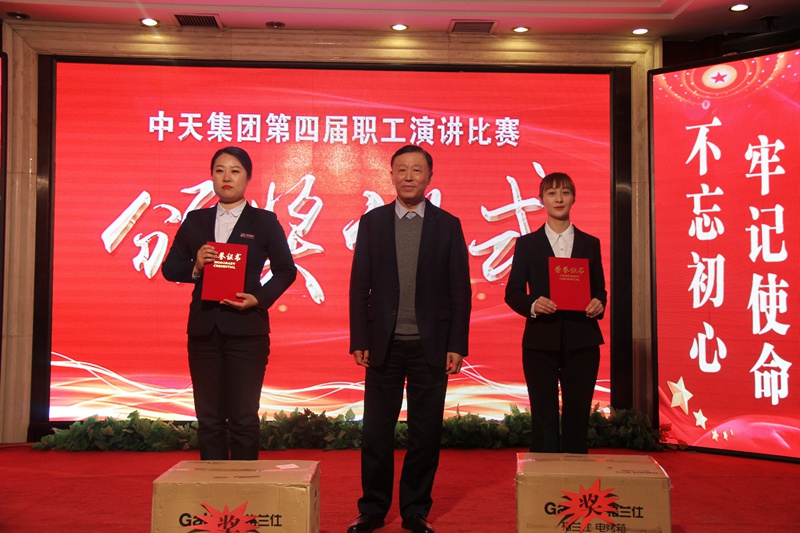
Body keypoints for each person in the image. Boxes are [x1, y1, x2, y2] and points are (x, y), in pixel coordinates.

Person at [347, 145, 472, 533]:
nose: (409, 176)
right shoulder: (373, 223)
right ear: (391, 175)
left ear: (429, 177)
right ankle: (372, 509)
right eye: (401, 169)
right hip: (382, 345)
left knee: (425, 434)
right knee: (376, 433)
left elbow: (460, 290)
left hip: (430, 345)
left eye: (417, 170)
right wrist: (360, 338)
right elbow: (359, 285)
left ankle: (415, 510)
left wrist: (457, 344)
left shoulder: (447, 225)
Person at [162, 146, 297, 460]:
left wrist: (259, 299)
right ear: (211, 176)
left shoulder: (264, 222)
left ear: (247, 178)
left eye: (235, 171)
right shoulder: (196, 220)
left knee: (244, 417)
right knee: (208, 418)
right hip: (204, 331)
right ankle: (213, 483)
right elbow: (170, 268)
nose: (227, 177)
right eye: (220, 170)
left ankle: (244, 485)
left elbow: (286, 270)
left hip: (247, 332)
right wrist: (196, 266)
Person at [504, 172, 606, 454]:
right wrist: (533, 305)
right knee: (543, 416)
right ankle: (543, 476)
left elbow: (599, 290)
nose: (558, 199)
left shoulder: (590, 243)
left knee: (578, 416)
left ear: (574, 198)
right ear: (541, 200)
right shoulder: (527, 244)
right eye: (551, 193)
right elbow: (513, 293)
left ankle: (576, 476)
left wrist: (599, 303)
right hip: (540, 341)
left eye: (565, 192)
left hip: (582, 341)